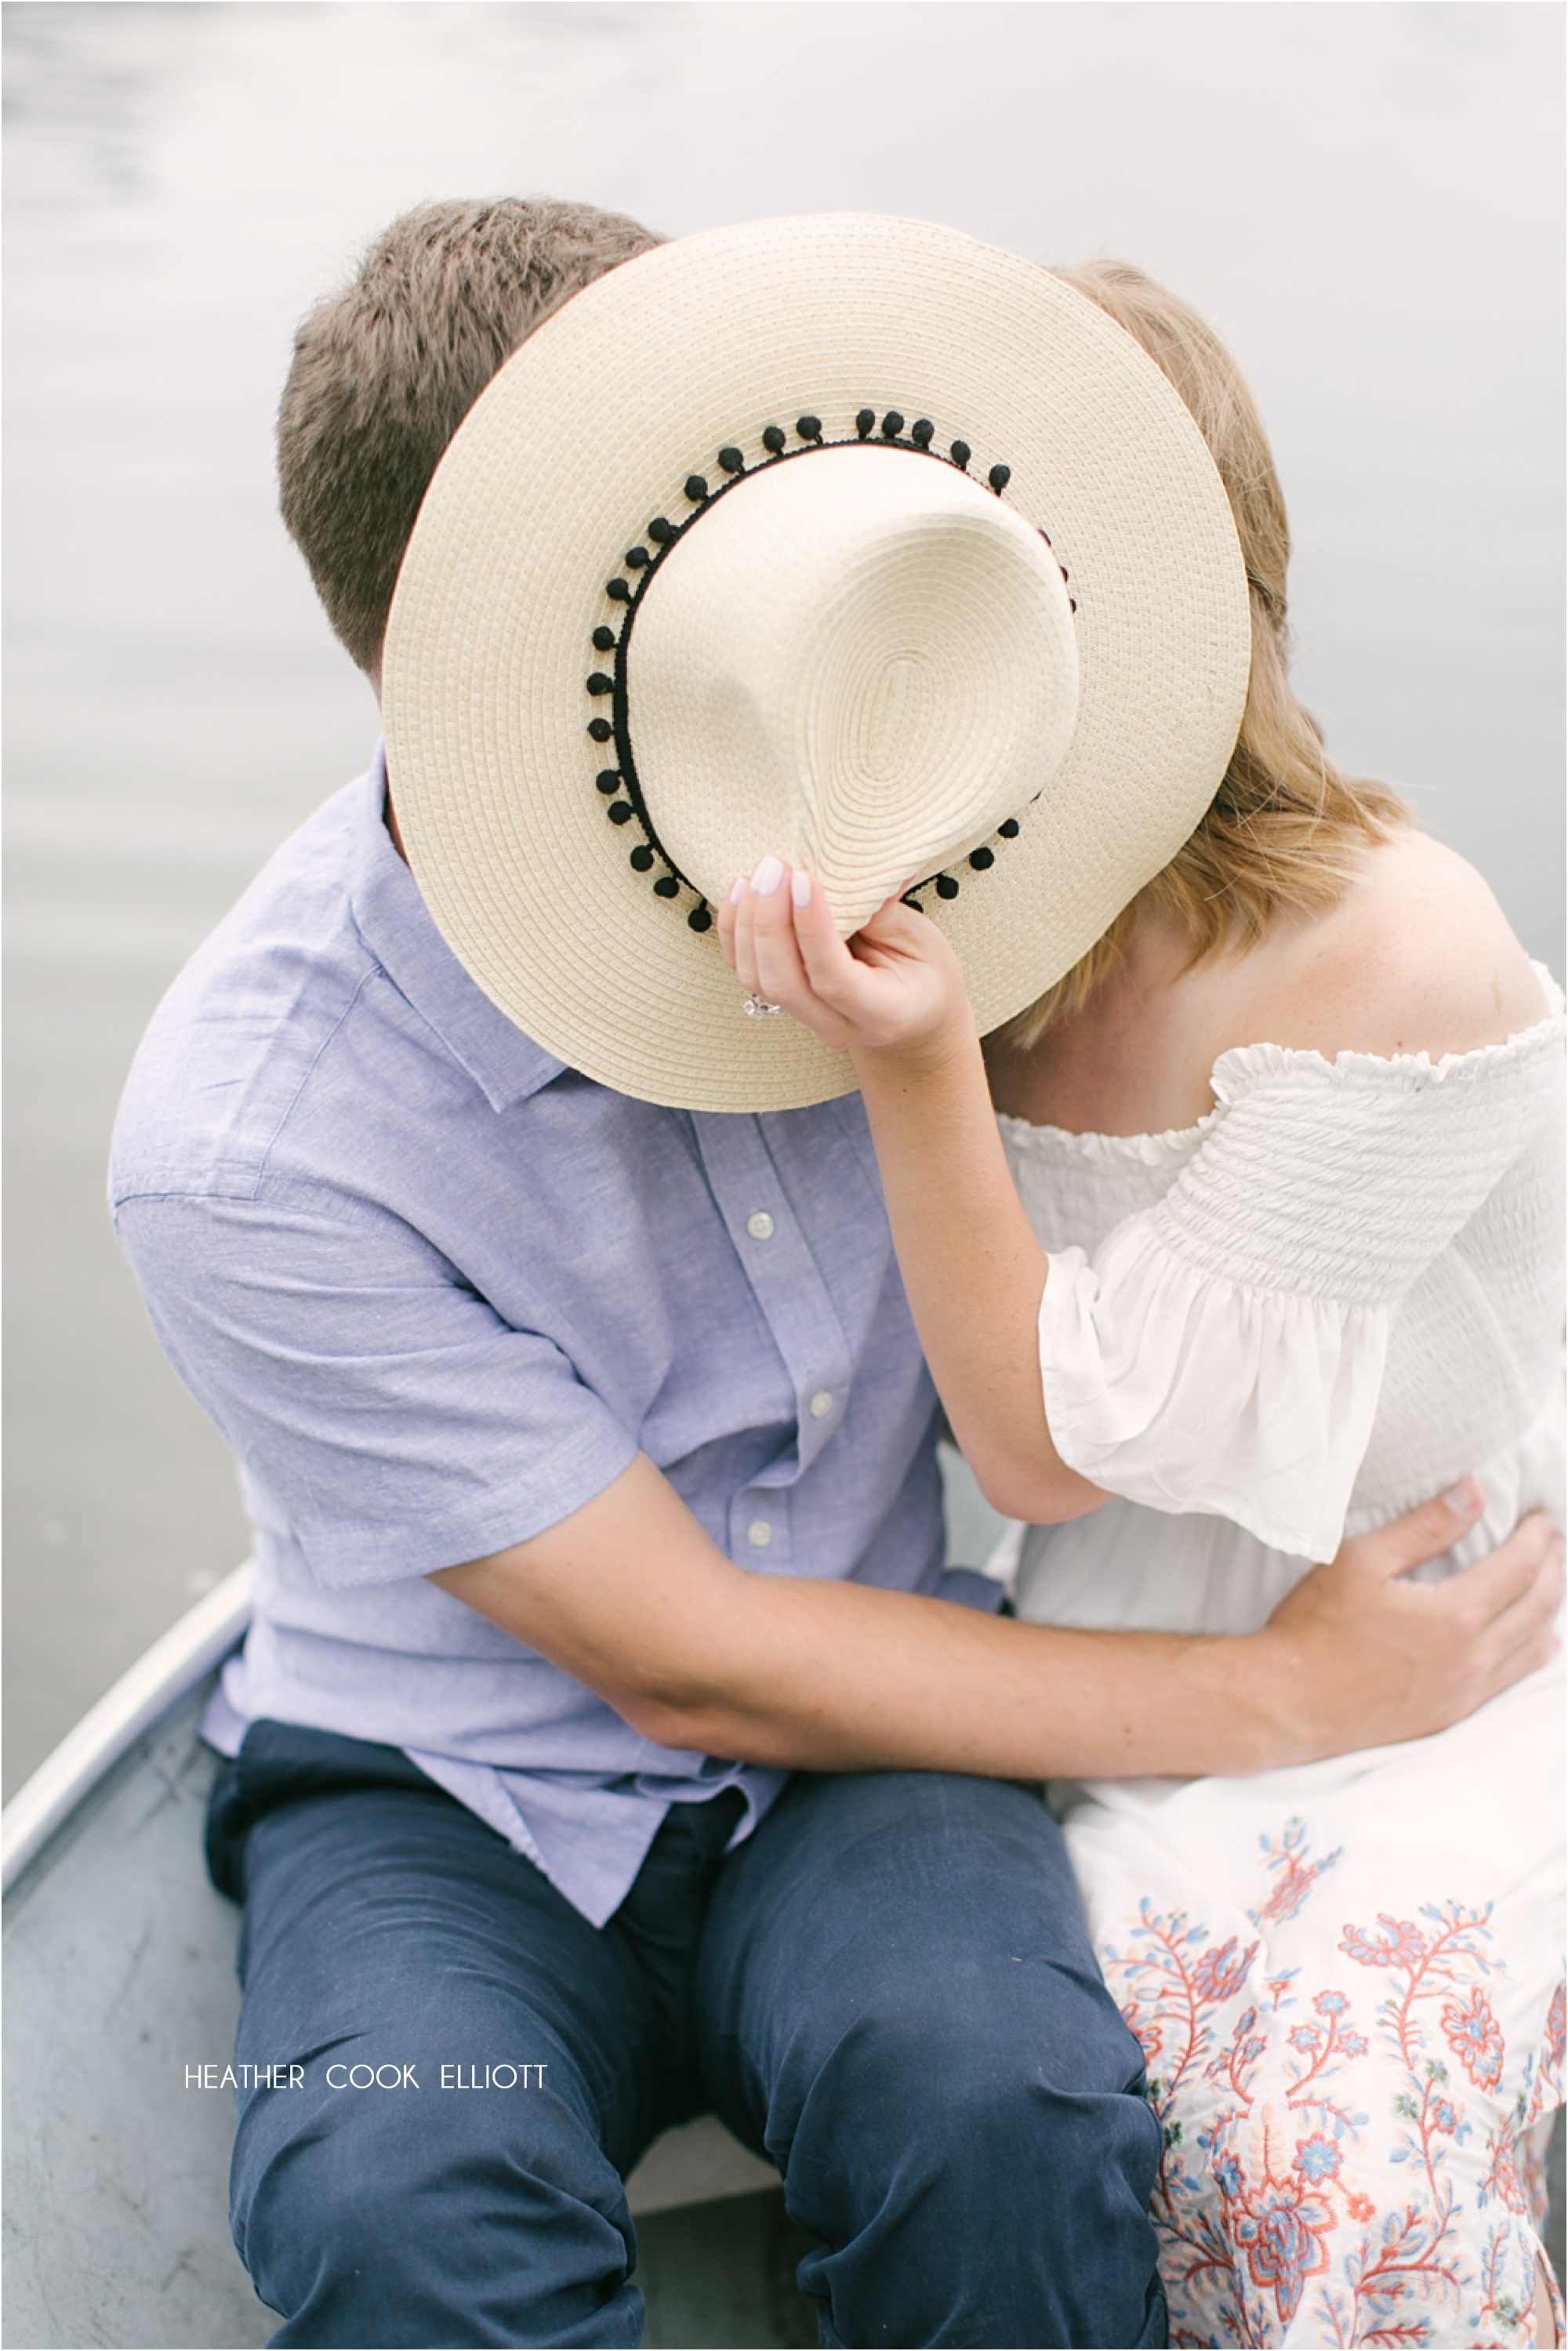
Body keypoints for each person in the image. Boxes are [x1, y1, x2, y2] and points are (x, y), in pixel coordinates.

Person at [108, 201, 1561, 2351]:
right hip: (445, 1800)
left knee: (1011, 2108)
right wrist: (1289, 1695)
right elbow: (687, 1664)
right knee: (393, 2194)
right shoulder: (249, 1138)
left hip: (875, 1753)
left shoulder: (929, 843)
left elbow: (1141, 599)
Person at [717, 259, 1566, 2349]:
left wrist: (914, 1071)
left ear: (1218, 614)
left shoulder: (1389, 947)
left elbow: (1035, 1442)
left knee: (1338, 2132)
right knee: (1047, 2103)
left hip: (1443, 1645)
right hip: (1131, 1678)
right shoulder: (976, 913)